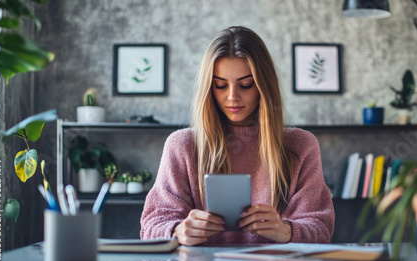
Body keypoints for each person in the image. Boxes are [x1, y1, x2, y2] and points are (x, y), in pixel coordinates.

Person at [140, 26, 334, 246]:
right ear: (209, 88)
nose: (232, 96)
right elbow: (152, 225)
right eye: (220, 85)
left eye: (246, 84)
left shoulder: (300, 145)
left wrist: (287, 231)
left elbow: (321, 228)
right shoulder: (182, 146)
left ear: (263, 86)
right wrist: (177, 231)